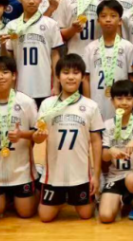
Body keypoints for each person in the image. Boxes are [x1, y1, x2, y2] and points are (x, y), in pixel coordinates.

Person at [34, 54, 104, 223]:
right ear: (58, 77)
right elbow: (37, 138)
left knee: (86, 215)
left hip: (81, 175)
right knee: (45, 217)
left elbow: (96, 142)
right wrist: (38, 137)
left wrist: (96, 175)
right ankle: (61, 199)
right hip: (54, 175)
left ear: (82, 77)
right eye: (66, 73)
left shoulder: (91, 106)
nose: (71, 77)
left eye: (76, 73)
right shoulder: (47, 104)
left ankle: (73, 198)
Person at [0, 57, 39, 221]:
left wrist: (22, 134)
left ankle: (37, 186)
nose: (1, 77)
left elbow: (37, 134)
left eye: (5, 72)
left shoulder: (27, 102)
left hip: (22, 172)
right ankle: (7, 198)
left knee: (26, 213)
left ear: (14, 75)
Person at [99, 80, 133, 224]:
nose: (124, 102)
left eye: (128, 99)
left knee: (132, 180)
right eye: (119, 98)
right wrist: (111, 151)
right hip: (115, 176)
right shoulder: (107, 126)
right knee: (105, 216)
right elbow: (104, 157)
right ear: (112, 101)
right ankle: (126, 198)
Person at [3, 0, 64, 104]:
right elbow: (9, 59)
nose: (31, 1)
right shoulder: (12, 26)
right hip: (20, 87)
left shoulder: (51, 24)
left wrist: (57, 85)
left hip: (45, 86)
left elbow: (55, 56)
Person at [82, 0, 133, 121]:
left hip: (121, 102)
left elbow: (132, 78)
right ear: (98, 20)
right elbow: (86, 79)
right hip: (96, 101)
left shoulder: (127, 47)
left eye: (113, 16)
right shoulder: (90, 48)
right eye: (103, 16)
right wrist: (87, 104)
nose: (108, 19)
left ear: (120, 21)